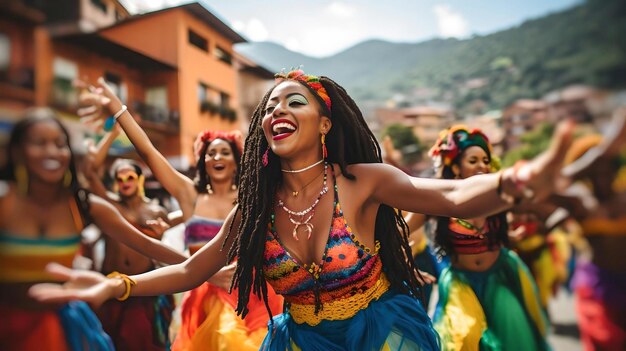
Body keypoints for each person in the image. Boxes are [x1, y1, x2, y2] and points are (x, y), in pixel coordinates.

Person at [29, 70, 573, 351]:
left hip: (381, 334)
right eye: (270, 106)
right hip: (299, 340)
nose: (277, 110)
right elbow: (192, 270)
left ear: (326, 123)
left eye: (294, 101)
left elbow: (449, 196)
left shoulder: (362, 182)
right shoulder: (255, 207)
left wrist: (517, 179)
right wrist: (112, 286)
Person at [76, 81, 283, 351]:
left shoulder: (250, 196)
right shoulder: (190, 195)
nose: (217, 157)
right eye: (211, 153)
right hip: (205, 295)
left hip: (252, 293)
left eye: (224, 152)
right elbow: (149, 153)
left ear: (236, 160)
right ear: (203, 162)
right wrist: (119, 110)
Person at [0, 108, 186, 350]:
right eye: (39, 143)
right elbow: (91, 169)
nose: (52, 152)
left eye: (60, 144)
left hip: (65, 326)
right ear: (17, 151)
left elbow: (146, 243)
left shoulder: (83, 205)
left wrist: (203, 267)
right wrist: (111, 133)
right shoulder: (5, 200)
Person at [428, 125, 550, 351]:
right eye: (473, 161)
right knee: (466, 338)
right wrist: (403, 257)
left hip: (498, 276)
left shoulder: (499, 197)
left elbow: (536, 204)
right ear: (455, 167)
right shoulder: (438, 200)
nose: (482, 166)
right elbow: (402, 230)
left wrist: (516, 236)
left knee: (513, 336)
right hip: (461, 284)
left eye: (485, 160)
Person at [82, 126, 178, 351]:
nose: (125, 182)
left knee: (141, 343)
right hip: (110, 285)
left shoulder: (156, 211)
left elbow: (160, 241)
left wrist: (161, 235)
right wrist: (112, 134)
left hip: (143, 290)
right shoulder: (109, 205)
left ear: (139, 180)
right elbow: (89, 173)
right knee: (108, 343)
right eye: (120, 178)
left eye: (130, 177)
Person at [558, 108, 626, 351]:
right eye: (594, 169)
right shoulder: (579, 201)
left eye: (606, 167)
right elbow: (554, 184)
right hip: (598, 288)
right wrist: (598, 156)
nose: (601, 175)